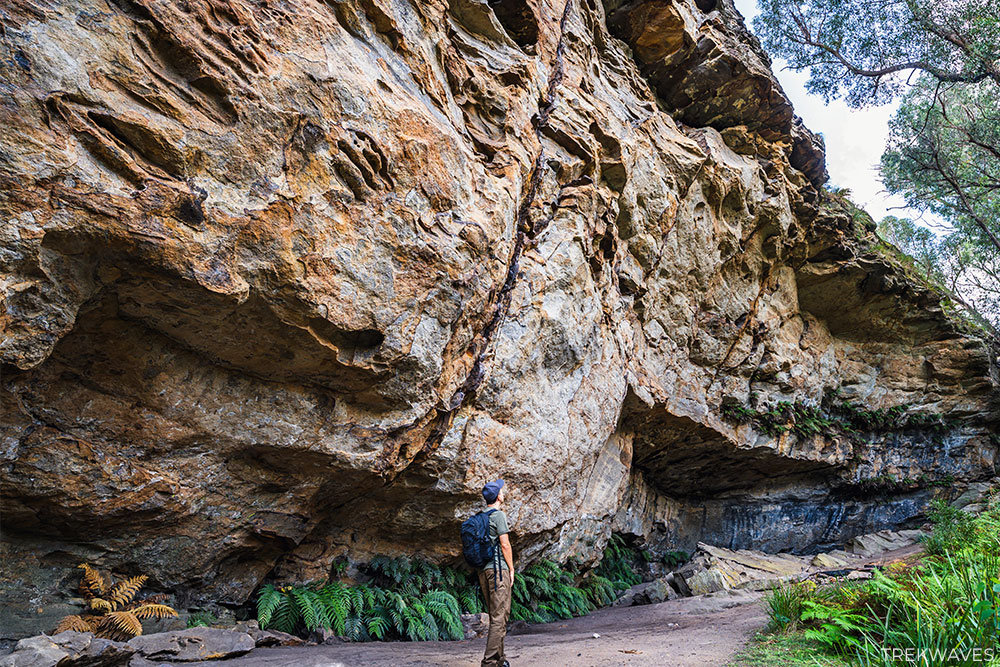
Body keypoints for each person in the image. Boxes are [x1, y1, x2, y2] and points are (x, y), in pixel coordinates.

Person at [478, 479, 513, 667]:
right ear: (498, 496)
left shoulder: (480, 516)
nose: (503, 492)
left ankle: (500, 659)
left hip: (484, 571)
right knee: (500, 616)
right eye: (502, 490)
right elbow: (505, 545)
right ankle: (490, 662)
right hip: (499, 570)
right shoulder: (498, 515)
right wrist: (512, 569)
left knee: (497, 615)